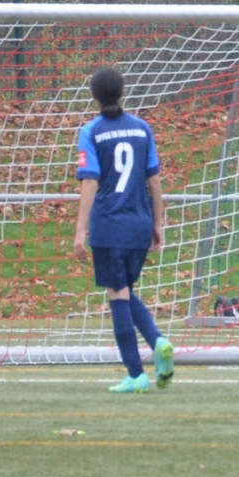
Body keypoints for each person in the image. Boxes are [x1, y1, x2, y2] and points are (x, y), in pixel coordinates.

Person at [72, 66, 173, 393]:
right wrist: (157, 222)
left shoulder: (91, 131)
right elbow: (154, 179)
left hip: (110, 224)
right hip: (139, 224)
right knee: (125, 289)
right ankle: (158, 343)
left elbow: (90, 180)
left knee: (117, 294)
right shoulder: (142, 128)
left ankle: (136, 373)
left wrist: (80, 230)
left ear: (94, 96)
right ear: (122, 92)